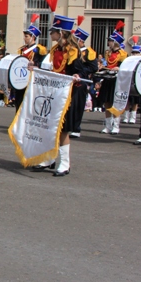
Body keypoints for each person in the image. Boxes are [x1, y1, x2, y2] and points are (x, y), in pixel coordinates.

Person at [32, 15, 96, 176]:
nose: (50, 34)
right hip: (54, 91)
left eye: (53, 31)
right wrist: (36, 67)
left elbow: (85, 69)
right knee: (49, 126)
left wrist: (78, 75)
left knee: (63, 129)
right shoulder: (55, 49)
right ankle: (49, 159)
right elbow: (50, 68)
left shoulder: (73, 51)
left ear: (60, 33)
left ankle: (65, 164)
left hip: (68, 93)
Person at [68, 26, 97, 137]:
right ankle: (68, 127)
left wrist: (81, 74)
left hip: (81, 81)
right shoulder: (71, 51)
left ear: (80, 41)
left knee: (77, 105)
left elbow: (93, 67)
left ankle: (76, 129)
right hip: (70, 80)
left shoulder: (88, 52)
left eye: (75, 40)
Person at [13, 18, 47, 110]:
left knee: (29, 103)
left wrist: (36, 64)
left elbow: (44, 63)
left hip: (32, 79)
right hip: (21, 77)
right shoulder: (22, 49)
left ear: (33, 37)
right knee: (19, 102)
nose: (24, 38)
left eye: (27, 36)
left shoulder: (40, 49)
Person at [99, 27, 128, 134]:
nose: (109, 43)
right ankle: (108, 126)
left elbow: (125, 67)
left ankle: (116, 126)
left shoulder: (123, 54)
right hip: (108, 79)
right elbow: (107, 65)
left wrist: (118, 68)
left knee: (116, 103)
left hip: (117, 81)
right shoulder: (108, 53)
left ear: (115, 42)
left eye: (111, 41)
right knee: (107, 103)